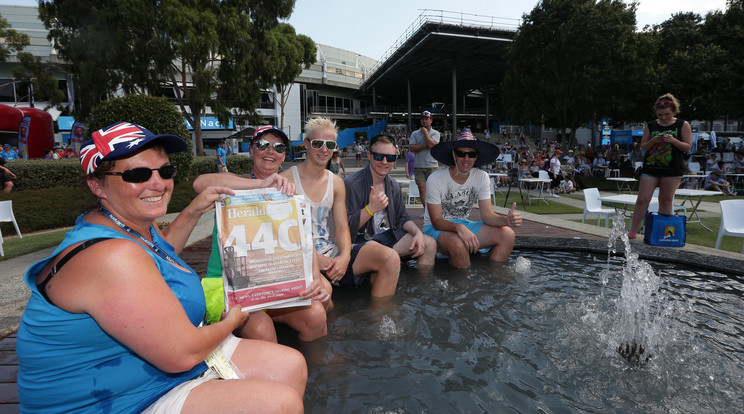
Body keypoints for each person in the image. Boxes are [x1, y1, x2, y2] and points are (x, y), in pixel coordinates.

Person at [17, 121, 306, 413]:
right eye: (137, 174)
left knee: (291, 364)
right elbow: (183, 354)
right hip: (114, 400)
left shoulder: (123, 222)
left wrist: (193, 210)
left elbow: (162, 253)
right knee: (281, 404)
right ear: (96, 184)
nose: (158, 184)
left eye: (165, 171)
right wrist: (233, 318)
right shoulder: (111, 256)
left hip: (147, 372)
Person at [193, 125, 332, 342]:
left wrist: (314, 278)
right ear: (251, 150)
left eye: (278, 147)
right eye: (263, 145)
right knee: (260, 328)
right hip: (229, 286)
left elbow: (305, 239)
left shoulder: (290, 193)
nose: (270, 151)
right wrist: (259, 185)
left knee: (316, 314)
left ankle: (319, 372)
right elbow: (200, 183)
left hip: (275, 284)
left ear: (284, 155)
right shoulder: (232, 183)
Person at [282, 117, 400, 297]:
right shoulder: (287, 180)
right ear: (306, 144)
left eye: (329, 145)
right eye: (317, 144)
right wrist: (317, 261)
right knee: (322, 296)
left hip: (330, 251)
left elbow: (342, 226)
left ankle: (379, 318)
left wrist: (344, 257)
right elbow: (280, 239)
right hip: (299, 259)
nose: (323, 150)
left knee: (390, 258)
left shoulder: (336, 183)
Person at [424, 131, 523, 268]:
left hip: (463, 224)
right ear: (454, 154)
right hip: (435, 229)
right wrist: (459, 228)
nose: (466, 159)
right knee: (458, 244)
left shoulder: (482, 177)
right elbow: (436, 221)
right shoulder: (435, 179)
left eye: (471, 154)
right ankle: (462, 286)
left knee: (507, 234)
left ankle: (494, 281)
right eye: (461, 153)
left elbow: (488, 215)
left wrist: (506, 220)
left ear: (476, 157)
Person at [344, 134, 437, 267]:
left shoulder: (392, 185)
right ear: (369, 156)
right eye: (378, 156)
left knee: (429, 244)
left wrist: (418, 233)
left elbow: (402, 218)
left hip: (387, 238)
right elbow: (345, 227)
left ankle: (424, 285)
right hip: (361, 242)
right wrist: (370, 209)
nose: (384, 162)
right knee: (386, 256)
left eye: (390, 157)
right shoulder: (351, 184)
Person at [628, 94, 693, 239]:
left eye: (667, 114)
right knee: (642, 199)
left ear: (674, 111)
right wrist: (654, 140)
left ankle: (666, 235)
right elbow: (644, 147)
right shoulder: (650, 125)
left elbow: (687, 147)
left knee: (666, 200)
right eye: (660, 115)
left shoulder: (683, 124)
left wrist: (673, 140)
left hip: (672, 169)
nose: (663, 118)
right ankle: (632, 232)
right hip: (651, 167)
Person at [408, 111, 441, 209]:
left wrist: (425, 133)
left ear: (431, 120)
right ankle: (426, 210)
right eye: (422, 119)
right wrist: (426, 145)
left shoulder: (436, 133)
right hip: (418, 165)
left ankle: (434, 210)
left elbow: (432, 146)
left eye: (426, 119)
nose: (424, 121)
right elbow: (412, 148)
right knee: (422, 189)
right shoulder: (414, 133)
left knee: (433, 190)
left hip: (432, 165)